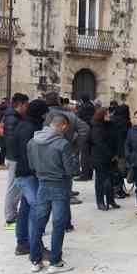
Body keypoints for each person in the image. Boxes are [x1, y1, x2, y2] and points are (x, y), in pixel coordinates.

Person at [27, 113, 80, 274]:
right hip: (59, 185)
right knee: (58, 224)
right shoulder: (62, 144)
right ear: (63, 126)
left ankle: (35, 260)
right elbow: (70, 170)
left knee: (38, 223)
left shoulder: (32, 141)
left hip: (42, 184)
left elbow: (31, 165)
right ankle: (55, 261)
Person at [44, 92, 89, 229]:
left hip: (44, 157)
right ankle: (66, 223)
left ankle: (41, 225)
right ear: (58, 101)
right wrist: (74, 147)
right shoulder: (70, 116)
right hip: (65, 156)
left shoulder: (43, 115)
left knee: (44, 193)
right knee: (64, 192)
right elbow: (85, 130)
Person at [12, 99, 48, 257]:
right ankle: (36, 246)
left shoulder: (23, 124)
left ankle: (22, 243)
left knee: (25, 209)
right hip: (29, 175)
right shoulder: (31, 128)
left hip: (23, 172)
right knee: (37, 209)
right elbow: (31, 155)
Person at [1, 93, 29, 230]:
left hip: (14, 156)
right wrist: (17, 156)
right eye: (26, 105)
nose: (27, 108)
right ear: (21, 104)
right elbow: (12, 140)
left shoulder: (14, 117)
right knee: (14, 188)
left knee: (15, 187)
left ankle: (12, 215)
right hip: (15, 157)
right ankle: (10, 219)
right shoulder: (13, 118)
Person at [89, 107, 119, 211]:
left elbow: (116, 139)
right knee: (101, 181)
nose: (109, 116)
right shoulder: (96, 127)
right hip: (100, 157)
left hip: (111, 157)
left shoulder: (111, 125)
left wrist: (116, 153)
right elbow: (99, 143)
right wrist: (110, 154)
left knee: (110, 179)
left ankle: (111, 200)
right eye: (106, 114)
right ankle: (100, 202)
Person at [76, 94, 95, 181]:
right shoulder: (92, 107)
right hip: (92, 131)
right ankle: (90, 173)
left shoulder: (82, 108)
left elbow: (78, 118)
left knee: (84, 155)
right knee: (90, 154)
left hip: (84, 132)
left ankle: (84, 175)